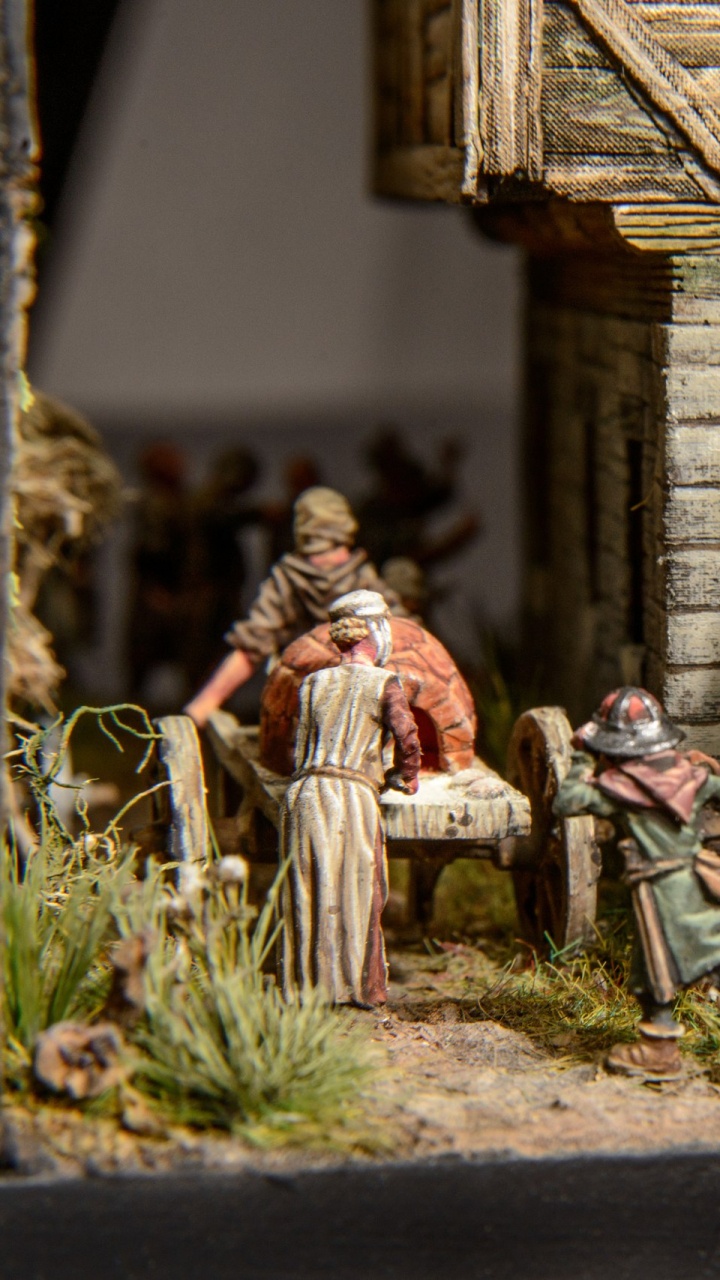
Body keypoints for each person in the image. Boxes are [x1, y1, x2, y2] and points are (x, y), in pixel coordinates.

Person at [554, 687, 720, 1080]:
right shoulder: (693, 779)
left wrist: (581, 757)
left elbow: (567, 800)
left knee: (655, 969)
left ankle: (659, 1049)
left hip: (660, 892)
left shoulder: (618, 792)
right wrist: (708, 770)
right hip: (700, 882)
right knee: (712, 951)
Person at [280, 590, 420, 1007]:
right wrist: (406, 777)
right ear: (376, 631)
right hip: (351, 796)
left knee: (308, 889)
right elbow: (407, 737)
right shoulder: (383, 683)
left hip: (303, 794)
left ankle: (307, 987)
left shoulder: (312, 683)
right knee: (360, 889)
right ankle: (359, 988)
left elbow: (298, 746)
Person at [185, 486, 403, 726]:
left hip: (334, 698)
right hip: (320, 701)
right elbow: (252, 644)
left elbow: (251, 646)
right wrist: (206, 703)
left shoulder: (297, 579)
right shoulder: (356, 577)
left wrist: (204, 705)